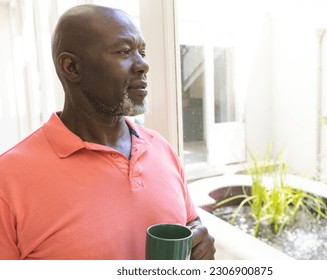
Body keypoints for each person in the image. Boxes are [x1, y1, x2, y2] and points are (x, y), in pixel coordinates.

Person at [0, 4, 215, 260]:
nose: (143, 65)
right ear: (72, 67)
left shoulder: (162, 149)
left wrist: (200, 245)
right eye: (125, 51)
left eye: (142, 52)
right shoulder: (9, 179)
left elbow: (190, 221)